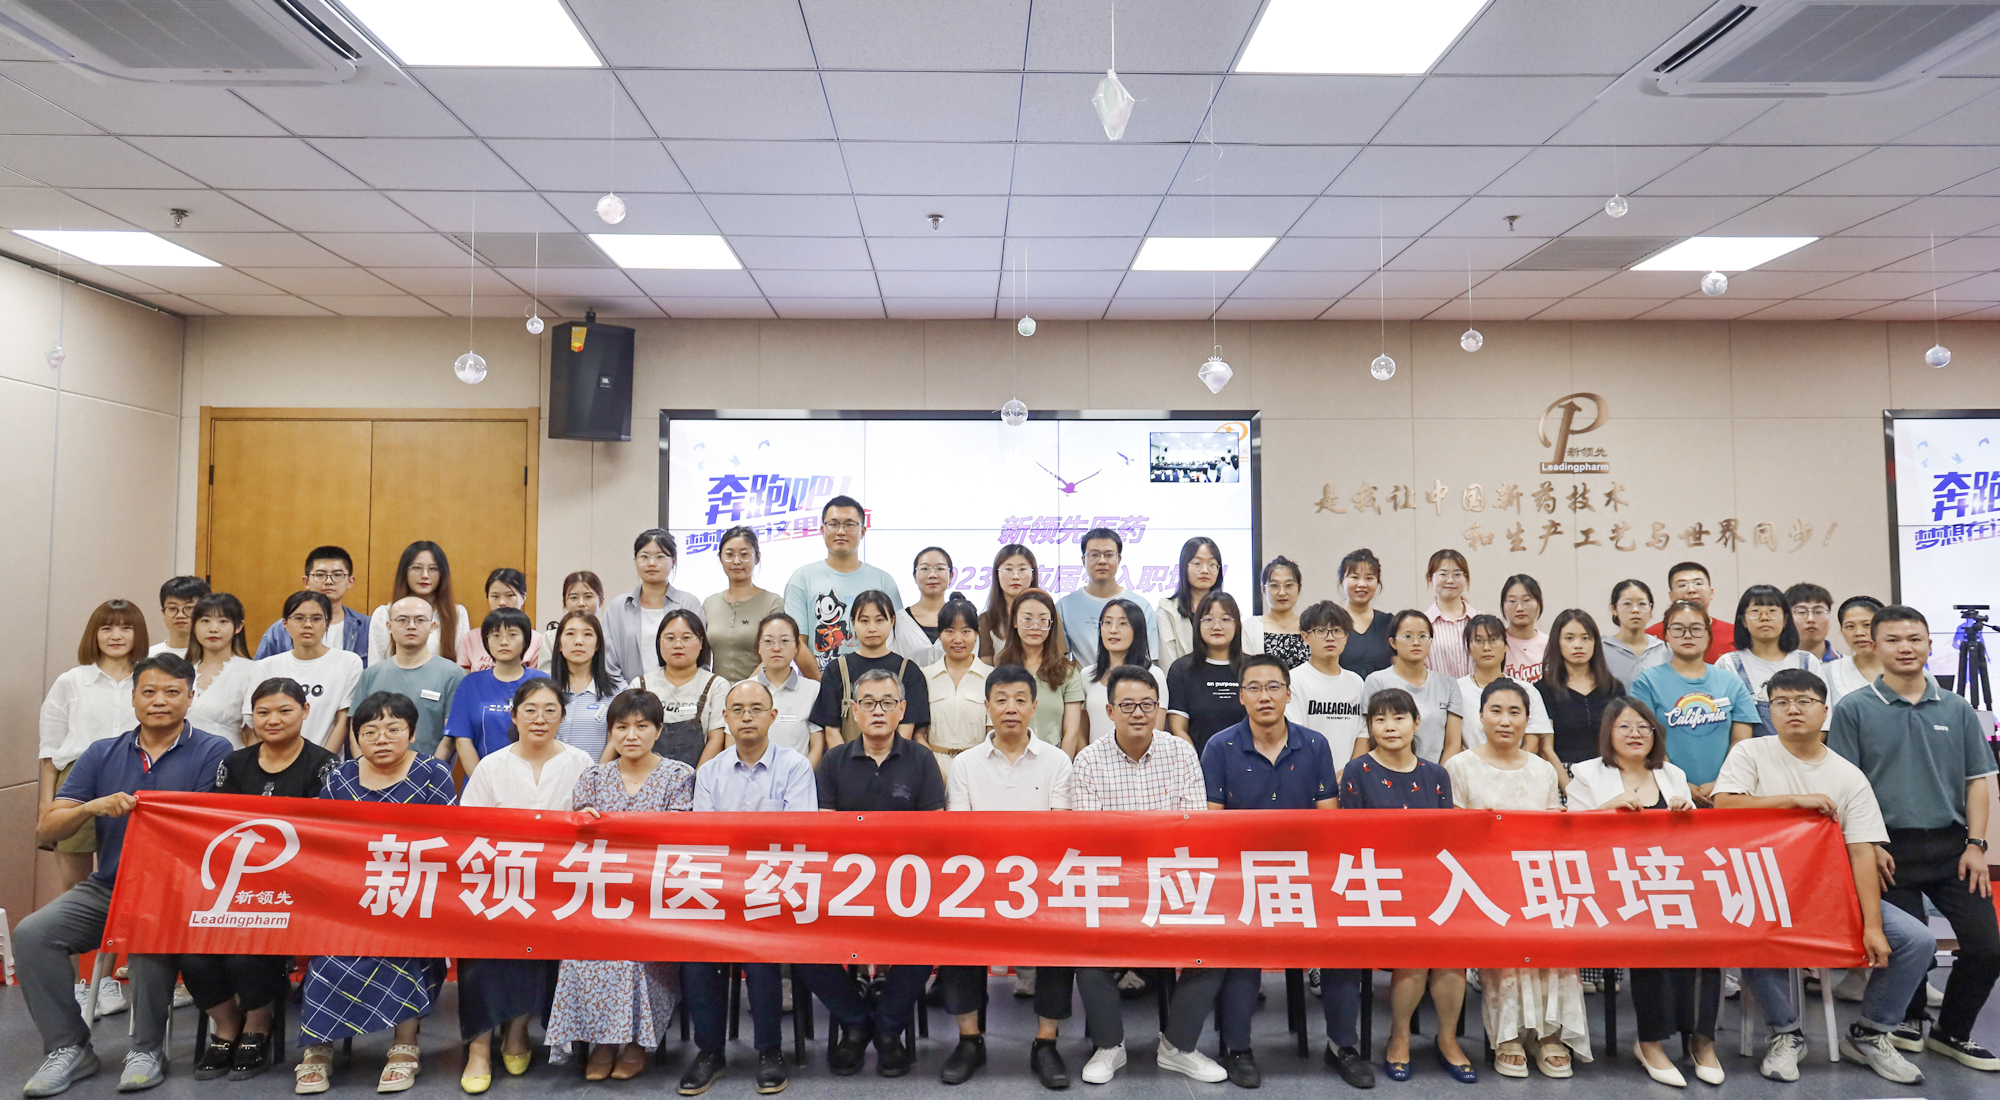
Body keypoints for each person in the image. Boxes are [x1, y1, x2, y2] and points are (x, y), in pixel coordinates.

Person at [18, 654, 231, 1098]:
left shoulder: (214, 751)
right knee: (33, 934)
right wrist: (91, 807)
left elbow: (208, 832)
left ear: (190, 697)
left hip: (180, 892)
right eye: (148, 692)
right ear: (133, 698)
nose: (159, 701)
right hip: (110, 886)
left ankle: (147, 1049)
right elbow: (47, 828)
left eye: (172, 692)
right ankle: (69, 1046)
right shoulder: (102, 752)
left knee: (146, 925)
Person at [1717, 669, 1937, 1084]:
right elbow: (1725, 805)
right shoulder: (1750, 753)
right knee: (1748, 930)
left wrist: (1872, 926)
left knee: (1917, 940)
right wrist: (1794, 801)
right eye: (1781, 702)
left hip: (1830, 895)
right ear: (1769, 711)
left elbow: (1861, 852)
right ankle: (1786, 1033)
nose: (1792, 709)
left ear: (1824, 710)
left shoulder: (1848, 775)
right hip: (1763, 891)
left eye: (1803, 701)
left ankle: (1870, 1033)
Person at [1828, 605, 1998, 1071]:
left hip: (1952, 847)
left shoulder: (1956, 708)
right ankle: (1905, 1020)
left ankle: (1952, 1032)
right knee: (1914, 947)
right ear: (1874, 646)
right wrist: (1867, 845)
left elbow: (1977, 781)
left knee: (1987, 947)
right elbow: (1845, 786)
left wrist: (1977, 845)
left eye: (1914, 639)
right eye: (1894, 640)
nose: (1905, 648)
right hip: (1886, 849)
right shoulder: (1854, 708)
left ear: (1928, 644)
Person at [1201, 656, 1359, 1089]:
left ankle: (1342, 1046)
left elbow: (1328, 821)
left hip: (1306, 873)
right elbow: (1212, 825)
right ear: (1241, 696)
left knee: (1343, 940)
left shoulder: (1315, 745)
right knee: (1240, 945)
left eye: (1273, 687)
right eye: (1254, 687)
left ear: (1289, 694)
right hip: (1241, 875)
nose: (1264, 696)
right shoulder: (1219, 746)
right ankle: (1238, 1049)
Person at [1067, 665, 1227, 1085]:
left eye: (1147, 705)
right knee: (1085, 946)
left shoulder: (1181, 753)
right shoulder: (1088, 761)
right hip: (1112, 885)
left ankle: (1178, 1046)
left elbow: (1192, 829)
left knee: (1216, 943)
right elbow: (1092, 839)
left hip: (1173, 881)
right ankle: (1109, 1046)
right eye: (1127, 705)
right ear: (1109, 711)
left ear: (1158, 708)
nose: (1138, 713)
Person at [294, 691, 456, 1095]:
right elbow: (325, 842)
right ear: (356, 737)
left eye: (393, 729)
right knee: (328, 949)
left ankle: (405, 1046)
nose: (381, 738)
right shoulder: (340, 778)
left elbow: (449, 840)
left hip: (413, 894)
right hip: (349, 896)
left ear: (412, 733)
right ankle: (317, 1049)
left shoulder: (433, 773)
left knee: (403, 945)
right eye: (370, 731)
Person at [190, 678, 336, 1082]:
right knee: (193, 951)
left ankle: (258, 1024)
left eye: (284, 711)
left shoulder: (324, 765)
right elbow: (220, 828)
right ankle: (226, 1025)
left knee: (245, 953)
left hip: (297, 887)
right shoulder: (234, 764)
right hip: (235, 883)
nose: (273, 720)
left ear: (305, 712)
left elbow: (325, 834)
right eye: (263, 712)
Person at [547, 688, 696, 1081]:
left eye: (642, 726)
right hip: (600, 897)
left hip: (654, 899)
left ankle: (634, 1043)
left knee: (632, 955)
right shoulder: (593, 777)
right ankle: (602, 1041)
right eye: (621, 726)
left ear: (658, 730)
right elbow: (577, 843)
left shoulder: (679, 775)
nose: (631, 735)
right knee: (580, 952)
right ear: (610, 732)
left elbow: (676, 840)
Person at [805, 669, 946, 1078]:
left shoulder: (922, 760)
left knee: (930, 940)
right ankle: (854, 1022)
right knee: (799, 944)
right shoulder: (834, 761)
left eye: (887, 703)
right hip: (844, 888)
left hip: (907, 887)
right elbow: (825, 834)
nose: (878, 711)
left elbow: (934, 833)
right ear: (854, 710)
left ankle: (886, 1028)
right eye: (868, 703)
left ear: (902, 709)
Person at [939, 666, 1075, 1088]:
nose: (1010, 708)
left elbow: (1060, 832)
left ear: (1034, 707)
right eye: (1000, 699)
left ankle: (1046, 1042)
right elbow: (960, 835)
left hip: (1042, 881)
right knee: (956, 925)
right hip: (979, 882)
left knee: (1062, 929)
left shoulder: (1057, 760)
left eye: (1019, 700)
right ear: (987, 707)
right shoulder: (965, 764)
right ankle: (969, 1039)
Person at [1446, 679, 1589, 1079]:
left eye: (1515, 712)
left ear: (1528, 720)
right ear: (1480, 717)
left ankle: (1550, 1034)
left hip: (1537, 881)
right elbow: (1450, 835)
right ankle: (1508, 1034)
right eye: (1496, 711)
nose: (1505, 721)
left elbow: (1554, 831)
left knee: (1555, 933)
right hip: (1484, 885)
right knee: (1505, 937)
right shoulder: (1458, 766)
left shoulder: (1543, 770)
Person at [681, 680, 817, 1097]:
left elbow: (798, 839)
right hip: (720, 891)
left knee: (760, 952)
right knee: (696, 952)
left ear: (773, 717)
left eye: (756, 708)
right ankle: (709, 1052)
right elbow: (705, 843)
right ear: (725, 718)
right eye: (737, 709)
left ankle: (769, 1051)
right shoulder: (710, 772)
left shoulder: (795, 766)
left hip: (774, 889)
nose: (746, 716)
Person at [457, 680, 593, 1093]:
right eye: (530, 710)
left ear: (562, 717)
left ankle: (517, 1031)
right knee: (482, 947)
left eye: (551, 710)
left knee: (542, 944)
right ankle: (479, 1046)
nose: (540, 718)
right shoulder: (491, 765)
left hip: (558, 886)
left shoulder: (580, 761)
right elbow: (468, 831)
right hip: (498, 883)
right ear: (514, 716)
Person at [1563, 698, 1706, 1085]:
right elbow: (1570, 834)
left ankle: (1702, 1041)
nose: (1635, 734)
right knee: (1649, 934)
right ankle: (1650, 1043)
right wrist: (1608, 808)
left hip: (1668, 882)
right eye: (1624, 727)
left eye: (1644, 727)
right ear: (1608, 733)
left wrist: (1686, 813)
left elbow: (1695, 842)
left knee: (1710, 937)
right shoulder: (1588, 773)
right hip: (1612, 886)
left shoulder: (1673, 774)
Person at [1338, 690, 1469, 1083]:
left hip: (1430, 885)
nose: (1390, 727)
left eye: (1398, 718)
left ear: (1416, 723)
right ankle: (1399, 1037)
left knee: (1452, 949)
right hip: (1378, 888)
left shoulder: (1436, 774)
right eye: (1380, 719)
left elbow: (1446, 840)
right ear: (1370, 727)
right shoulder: (1357, 771)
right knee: (1417, 947)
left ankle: (1447, 1039)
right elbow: (1350, 842)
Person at [39, 600, 146, 897]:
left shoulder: (148, 680)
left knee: (131, 881)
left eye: (126, 628)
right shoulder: (70, 681)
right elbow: (49, 753)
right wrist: (46, 806)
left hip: (134, 778)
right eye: (106, 628)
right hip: (78, 781)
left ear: (138, 634)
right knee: (74, 887)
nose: (116, 636)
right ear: (93, 634)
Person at [1629, 600, 1757, 802]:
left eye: (1696, 629)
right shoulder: (1647, 682)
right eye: (1678, 629)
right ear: (1666, 635)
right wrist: (1678, 784)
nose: (1687, 635)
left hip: (1726, 792)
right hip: (1665, 793)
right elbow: (1643, 739)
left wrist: (1721, 784)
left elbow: (1741, 743)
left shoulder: (1731, 682)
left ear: (1708, 635)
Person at [782, 497, 903, 666]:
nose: (840, 531)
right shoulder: (802, 579)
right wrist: (823, 681)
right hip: (820, 679)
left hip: (877, 680)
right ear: (822, 530)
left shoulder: (883, 581)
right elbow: (796, 642)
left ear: (862, 531)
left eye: (849, 524)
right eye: (833, 524)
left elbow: (897, 639)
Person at [808, 590, 929, 752]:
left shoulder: (909, 671)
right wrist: (846, 762)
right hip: (846, 762)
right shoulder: (836, 670)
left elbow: (906, 732)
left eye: (879, 620)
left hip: (896, 762)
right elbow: (831, 731)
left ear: (892, 621)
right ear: (853, 623)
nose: (872, 628)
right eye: (864, 621)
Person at [352, 596, 466, 760]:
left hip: (429, 770)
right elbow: (356, 728)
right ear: (389, 626)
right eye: (402, 620)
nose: (411, 626)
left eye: (420, 620)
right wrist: (363, 766)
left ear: (432, 626)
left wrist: (430, 769)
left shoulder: (452, 673)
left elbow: (451, 734)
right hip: (374, 770)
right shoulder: (371, 674)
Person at [249, 591, 362, 753]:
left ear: (328, 623)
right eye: (299, 618)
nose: (307, 625)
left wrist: (323, 762)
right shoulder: (266, 666)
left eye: (316, 619)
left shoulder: (349, 662)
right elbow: (256, 722)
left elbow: (342, 721)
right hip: (275, 758)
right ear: (285, 623)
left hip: (325, 759)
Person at [443, 607, 550, 772]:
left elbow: (550, 734)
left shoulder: (542, 682)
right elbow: (462, 739)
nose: (504, 642)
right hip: (480, 778)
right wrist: (481, 782)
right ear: (486, 641)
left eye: (512, 634)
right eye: (496, 635)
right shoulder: (470, 684)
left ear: (526, 640)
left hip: (532, 777)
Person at [1358, 610, 1465, 763]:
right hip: (1387, 770)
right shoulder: (1377, 681)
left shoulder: (1448, 684)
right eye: (1408, 636)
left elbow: (1453, 743)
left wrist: (1438, 774)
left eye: (1423, 636)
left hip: (1435, 771)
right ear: (1393, 642)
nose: (1416, 642)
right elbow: (1369, 734)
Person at [603, 529, 704, 685]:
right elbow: (608, 663)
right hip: (630, 695)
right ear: (635, 560)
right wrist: (630, 694)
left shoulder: (689, 603)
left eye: (660, 556)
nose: (651, 563)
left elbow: (702, 657)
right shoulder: (619, 607)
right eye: (644, 556)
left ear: (674, 561)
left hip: (682, 694)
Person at [1720, 585, 1821, 737]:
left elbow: (1823, 721)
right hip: (1750, 750)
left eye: (1772, 611)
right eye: (1755, 611)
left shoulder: (1807, 661)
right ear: (1743, 621)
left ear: (1785, 619)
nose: (1764, 618)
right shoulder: (1729, 663)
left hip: (1802, 748)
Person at [1534, 609, 1621, 782]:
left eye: (1585, 638)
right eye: (1569, 638)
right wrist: (1569, 789)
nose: (1578, 645)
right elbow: (1546, 749)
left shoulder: (1613, 688)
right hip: (1562, 775)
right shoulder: (1544, 689)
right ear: (1557, 643)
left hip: (1608, 774)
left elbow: (1620, 739)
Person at [638, 609, 731, 768]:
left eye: (686, 638)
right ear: (659, 643)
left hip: (700, 776)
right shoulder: (641, 685)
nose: (678, 645)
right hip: (648, 777)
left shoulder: (717, 685)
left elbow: (716, 739)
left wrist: (695, 779)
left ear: (701, 643)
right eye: (670, 638)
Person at [995, 588, 1084, 753]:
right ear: (1015, 622)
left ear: (1051, 624)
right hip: (1011, 758)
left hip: (1054, 757)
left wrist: (1062, 764)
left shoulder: (1067, 670)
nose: (1035, 626)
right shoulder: (1001, 667)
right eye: (1027, 619)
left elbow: (1071, 732)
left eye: (1043, 620)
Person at [1057, 528, 1160, 665]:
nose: (1102, 561)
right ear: (1083, 560)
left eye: (1109, 555)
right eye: (1094, 555)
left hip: (1132, 677)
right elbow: (1060, 659)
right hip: (1083, 679)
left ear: (1119, 559)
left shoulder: (1140, 605)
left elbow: (1151, 657)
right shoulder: (1065, 606)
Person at [254, 547, 369, 664]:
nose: (329, 581)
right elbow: (260, 670)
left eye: (337, 575)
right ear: (306, 581)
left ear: (350, 581)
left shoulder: (367, 627)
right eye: (320, 575)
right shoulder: (280, 630)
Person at [1166, 591, 1248, 753]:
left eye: (1226, 619)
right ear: (1197, 625)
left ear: (1237, 624)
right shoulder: (1181, 669)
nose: (1217, 627)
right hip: (1197, 762)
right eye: (1208, 620)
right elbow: (1178, 729)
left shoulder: (1252, 668)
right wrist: (1197, 763)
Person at [702, 526, 788, 682]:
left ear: (757, 557)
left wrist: (744, 688)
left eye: (744, 554)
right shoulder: (709, 603)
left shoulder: (772, 603)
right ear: (720, 558)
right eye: (729, 554)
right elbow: (704, 656)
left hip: (762, 690)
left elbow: (775, 654)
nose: (736, 561)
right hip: (718, 692)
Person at [1457, 614, 1552, 752]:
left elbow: (1532, 744)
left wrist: (1512, 764)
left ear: (1506, 645)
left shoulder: (1526, 690)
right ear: (1468, 649)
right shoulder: (1456, 690)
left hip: (1518, 764)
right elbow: (1453, 742)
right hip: (1470, 764)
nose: (1486, 647)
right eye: (1478, 641)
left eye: (1493, 640)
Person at [1286, 601, 1367, 762]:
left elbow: (1364, 734)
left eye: (1337, 631)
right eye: (1321, 631)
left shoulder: (1357, 682)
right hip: (1309, 771)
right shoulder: (1293, 680)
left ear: (1346, 637)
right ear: (1305, 637)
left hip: (1349, 774)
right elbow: (1295, 736)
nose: (1330, 638)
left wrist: (1351, 770)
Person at [1081, 597, 1168, 745]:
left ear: (1137, 629)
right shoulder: (1086, 675)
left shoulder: (1154, 675)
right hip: (1096, 757)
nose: (1113, 630)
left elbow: (1156, 731)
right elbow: (1082, 731)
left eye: (1122, 623)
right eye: (1107, 623)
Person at [367, 541, 470, 665]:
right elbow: (375, 667)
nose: (425, 575)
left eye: (433, 569)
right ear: (404, 572)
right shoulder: (383, 614)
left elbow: (462, 667)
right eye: (417, 568)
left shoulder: (457, 614)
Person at [921, 596, 993, 769]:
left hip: (979, 766)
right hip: (933, 767)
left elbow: (994, 734)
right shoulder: (924, 676)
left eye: (966, 631)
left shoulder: (992, 677)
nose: (958, 639)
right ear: (940, 634)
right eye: (950, 631)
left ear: (977, 633)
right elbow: (918, 734)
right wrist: (935, 772)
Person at [749, 611, 826, 765]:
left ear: (797, 647)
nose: (776, 648)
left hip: (798, 775)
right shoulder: (743, 690)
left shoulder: (813, 690)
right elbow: (732, 744)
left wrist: (801, 775)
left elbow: (817, 746)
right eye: (768, 641)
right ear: (759, 647)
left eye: (784, 641)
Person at [184, 592, 259, 745]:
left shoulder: (252, 671)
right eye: (205, 621)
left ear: (238, 627)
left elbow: (253, 734)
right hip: (181, 756)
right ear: (194, 625)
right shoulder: (180, 670)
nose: (213, 629)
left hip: (228, 755)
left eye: (223, 621)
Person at [552, 610, 620, 758]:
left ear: (597, 645)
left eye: (587, 634)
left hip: (598, 771)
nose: (578, 641)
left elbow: (615, 741)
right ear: (559, 644)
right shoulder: (545, 690)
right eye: (570, 634)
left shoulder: (617, 692)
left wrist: (598, 772)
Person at [1157, 536, 1230, 666]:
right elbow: (1168, 662)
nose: (1205, 570)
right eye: (1197, 563)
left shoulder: (1230, 610)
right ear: (1184, 567)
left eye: (1212, 564)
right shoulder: (1167, 610)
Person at [1643, 562, 1734, 664]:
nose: (1691, 590)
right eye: (1682, 585)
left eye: (1698, 583)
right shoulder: (1650, 636)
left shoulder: (1733, 633)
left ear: (1711, 592)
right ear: (1671, 595)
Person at [458, 568, 545, 672]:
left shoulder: (538, 641)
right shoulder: (470, 638)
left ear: (523, 597)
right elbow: (465, 678)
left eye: (510, 595)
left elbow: (537, 679)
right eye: (495, 596)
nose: (502, 602)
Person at [1337, 549, 1394, 679]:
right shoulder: (1330, 622)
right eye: (1354, 577)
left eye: (1369, 578)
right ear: (1342, 582)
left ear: (1377, 582)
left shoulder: (1389, 623)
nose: (1362, 584)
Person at [1602, 579, 1668, 688]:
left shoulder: (1665, 650)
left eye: (1642, 604)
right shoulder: (1601, 649)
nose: (1635, 610)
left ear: (1651, 609)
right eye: (1627, 604)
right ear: (1614, 609)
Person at [978, 544, 1039, 660]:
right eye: (1008, 569)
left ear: (1032, 575)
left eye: (1022, 569)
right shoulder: (986, 620)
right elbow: (986, 667)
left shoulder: (1049, 615)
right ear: (997, 574)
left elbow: (1059, 660)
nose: (1015, 576)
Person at [537, 570, 606, 672]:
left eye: (588, 596)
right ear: (565, 603)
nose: (581, 603)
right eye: (574, 597)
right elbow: (545, 675)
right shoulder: (551, 638)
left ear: (600, 601)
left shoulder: (609, 636)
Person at [1422, 551, 1477, 678]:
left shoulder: (1481, 620)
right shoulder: (1422, 624)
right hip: (1437, 690)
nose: (1450, 580)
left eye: (1457, 574)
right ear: (1430, 579)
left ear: (1466, 580)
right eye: (1443, 574)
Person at [1824, 595, 1886, 707]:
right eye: (1850, 626)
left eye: (1867, 625)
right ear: (1841, 630)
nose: (1859, 633)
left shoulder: (1904, 669)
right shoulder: (1828, 672)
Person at [1254, 556, 1307, 669]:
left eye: (1289, 585)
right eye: (1274, 585)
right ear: (1263, 590)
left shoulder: (1310, 627)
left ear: (1299, 588)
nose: (1282, 592)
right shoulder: (1251, 627)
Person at [902, 545, 955, 652]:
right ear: (915, 576)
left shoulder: (964, 619)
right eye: (924, 569)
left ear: (951, 576)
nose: (932, 575)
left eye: (940, 568)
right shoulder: (900, 620)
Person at [1497, 574, 1546, 683]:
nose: (1519, 608)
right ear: (1503, 606)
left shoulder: (1550, 645)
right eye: (1512, 601)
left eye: (1526, 600)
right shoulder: (1496, 644)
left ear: (1538, 604)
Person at [149, 575, 210, 656]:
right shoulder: (150, 656)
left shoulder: (216, 655)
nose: (180, 615)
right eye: (172, 608)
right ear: (163, 612)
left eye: (189, 608)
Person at [1784, 583, 1840, 663]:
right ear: (1786, 620)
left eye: (1818, 612)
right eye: (1801, 612)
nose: (1811, 619)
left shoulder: (1845, 665)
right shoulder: (1775, 664)